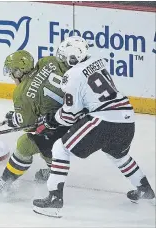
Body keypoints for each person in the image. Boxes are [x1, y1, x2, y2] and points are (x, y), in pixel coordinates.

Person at [33, 36, 155, 218]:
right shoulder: (97, 62)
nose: (63, 62)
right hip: (127, 119)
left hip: (104, 120)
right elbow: (91, 99)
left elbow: (68, 115)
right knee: (118, 155)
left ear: (72, 58)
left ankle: (54, 199)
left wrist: (52, 119)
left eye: (65, 58)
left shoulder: (71, 76)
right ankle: (145, 190)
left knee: (60, 148)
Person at [0, 50, 70, 198]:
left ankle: (6, 181)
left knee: (27, 143)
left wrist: (16, 119)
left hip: (63, 128)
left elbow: (29, 126)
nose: (11, 76)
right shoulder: (48, 62)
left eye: (12, 73)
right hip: (80, 116)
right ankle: (52, 168)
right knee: (47, 132)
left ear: (19, 72)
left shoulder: (22, 93)